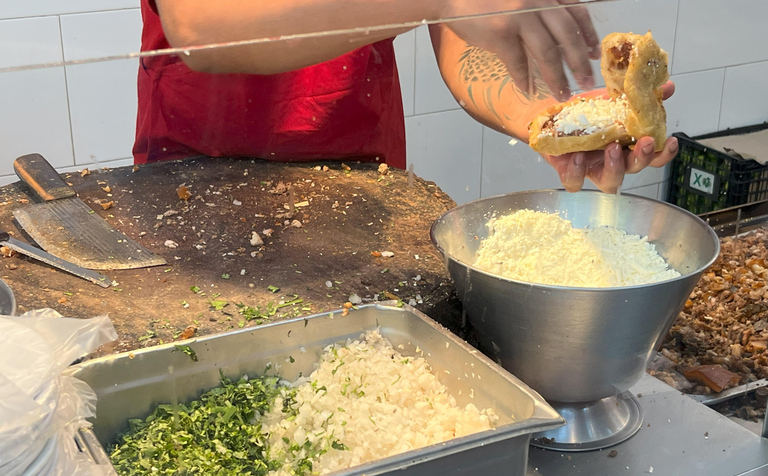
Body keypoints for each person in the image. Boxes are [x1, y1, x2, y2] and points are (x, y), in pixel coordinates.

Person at [134, 0, 678, 193]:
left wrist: (550, 121)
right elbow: (200, 27)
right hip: (195, 186)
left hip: (365, 189)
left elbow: (468, 40)